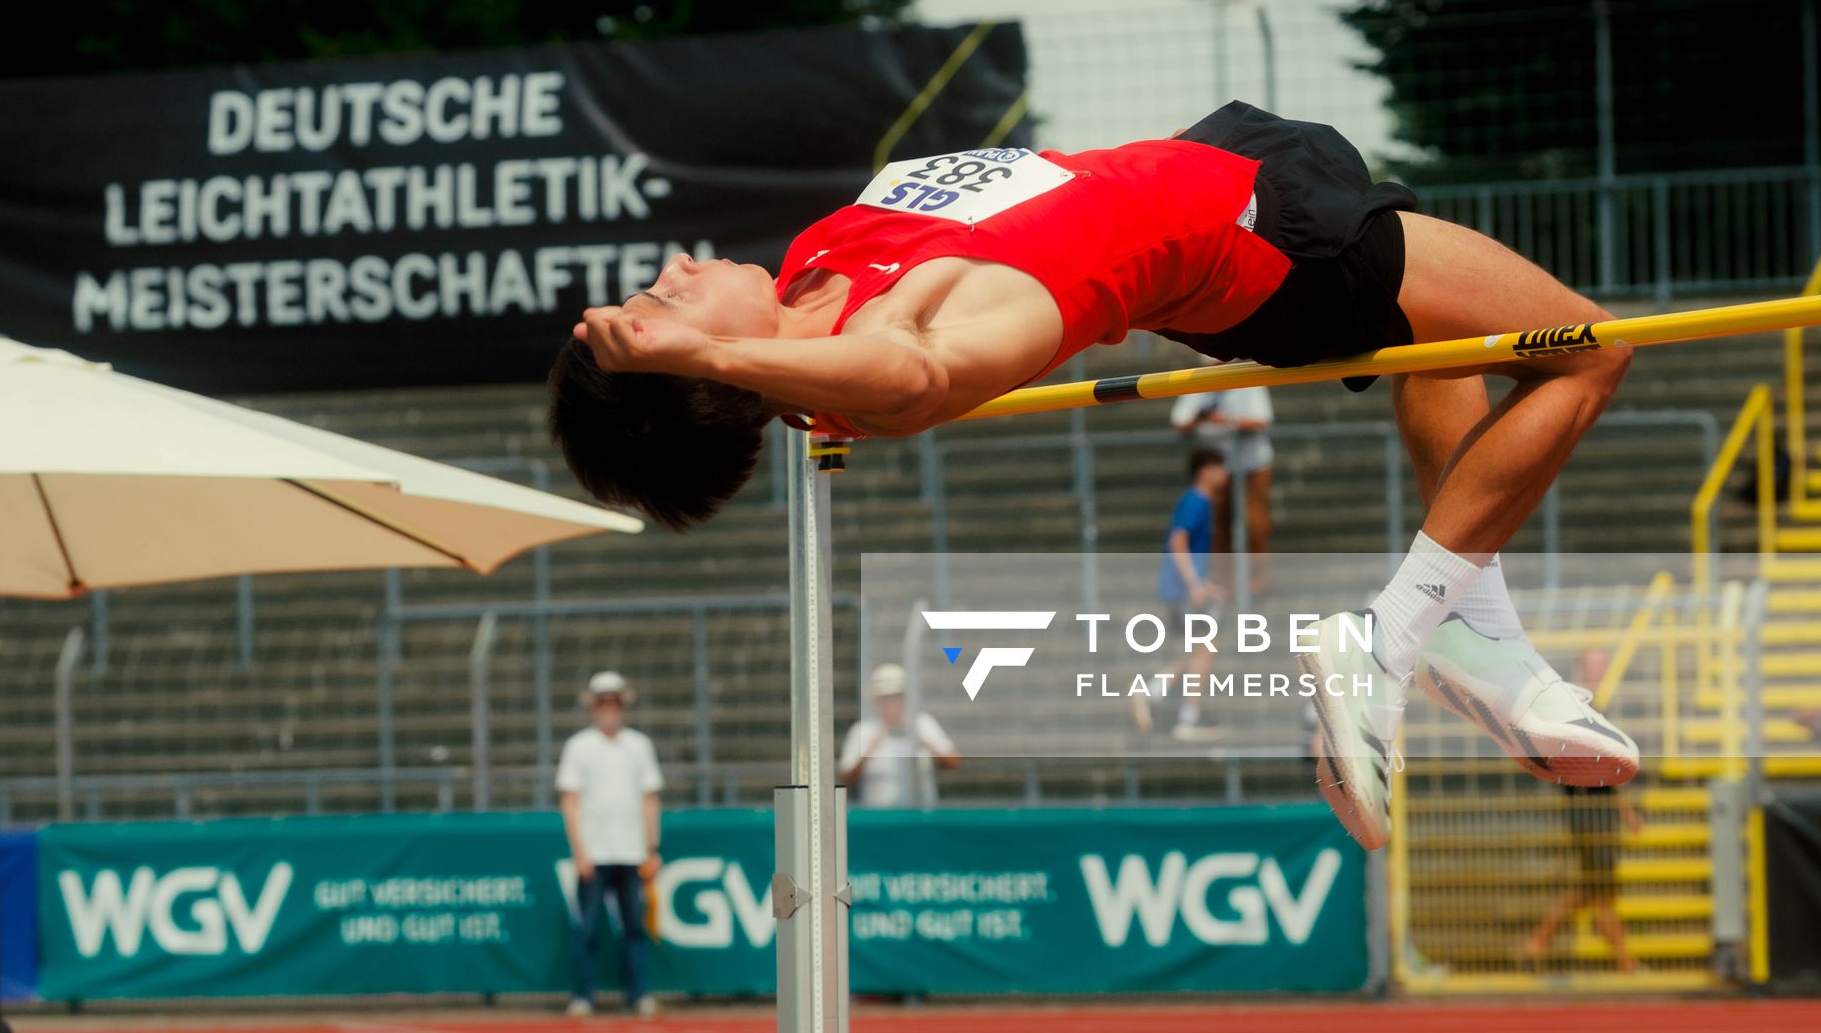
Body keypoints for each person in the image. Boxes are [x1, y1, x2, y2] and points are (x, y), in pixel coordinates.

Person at [550, 100, 1639, 849]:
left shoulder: (812, 273)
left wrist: (701, 346)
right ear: (698, 371)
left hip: (1219, 166)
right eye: (664, 307)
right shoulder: (887, 353)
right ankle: (1395, 640)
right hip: (1260, 241)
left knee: (1443, 343)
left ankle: (1475, 638)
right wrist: (703, 353)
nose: (677, 270)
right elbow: (913, 374)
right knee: (1589, 348)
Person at [1521, 649, 1644, 973]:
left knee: (1594, 888)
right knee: (1597, 890)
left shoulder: (1591, 711)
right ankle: (1622, 959)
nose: (1598, 674)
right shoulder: (1572, 712)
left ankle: (1542, 941)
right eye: (1593, 667)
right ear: (1580, 670)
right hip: (1588, 814)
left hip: (1600, 812)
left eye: (1601, 667)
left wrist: (1625, 811)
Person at [556, 670, 663, 1019]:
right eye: (602, 701)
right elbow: (570, 802)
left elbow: (650, 799)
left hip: (631, 852)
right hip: (595, 853)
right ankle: (583, 995)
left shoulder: (639, 745)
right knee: (586, 928)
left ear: (622, 704)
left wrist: (652, 847)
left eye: (613, 701)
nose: (608, 707)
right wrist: (580, 852)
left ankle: (639, 995)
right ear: (593, 705)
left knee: (634, 927)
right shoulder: (578, 746)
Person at [1131, 448, 1228, 740]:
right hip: (1182, 591)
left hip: (1183, 589)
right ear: (1205, 470)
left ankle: (1158, 694)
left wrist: (1203, 583)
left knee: (1201, 650)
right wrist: (1194, 585)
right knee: (1205, 648)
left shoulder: (1201, 502)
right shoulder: (1196, 501)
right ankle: (1180, 712)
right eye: (1219, 467)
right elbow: (1178, 540)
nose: (1225, 474)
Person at [1170, 374, 1274, 595]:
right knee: (1217, 528)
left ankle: (1257, 580)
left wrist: (1225, 420)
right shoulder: (1197, 381)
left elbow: (1262, 419)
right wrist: (1201, 418)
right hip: (1219, 468)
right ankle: (1224, 582)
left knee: (1255, 525)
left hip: (1251, 464)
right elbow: (1180, 420)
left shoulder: (1248, 380)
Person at [838, 662, 961, 807]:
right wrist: (868, 752)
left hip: (922, 817)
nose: (892, 704)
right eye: (885, 699)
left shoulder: (923, 723)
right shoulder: (862, 731)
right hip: (879, 819)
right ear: (875, 701)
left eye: (897, 697)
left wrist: (924, 740)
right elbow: (845, 779)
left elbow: (954, 762)